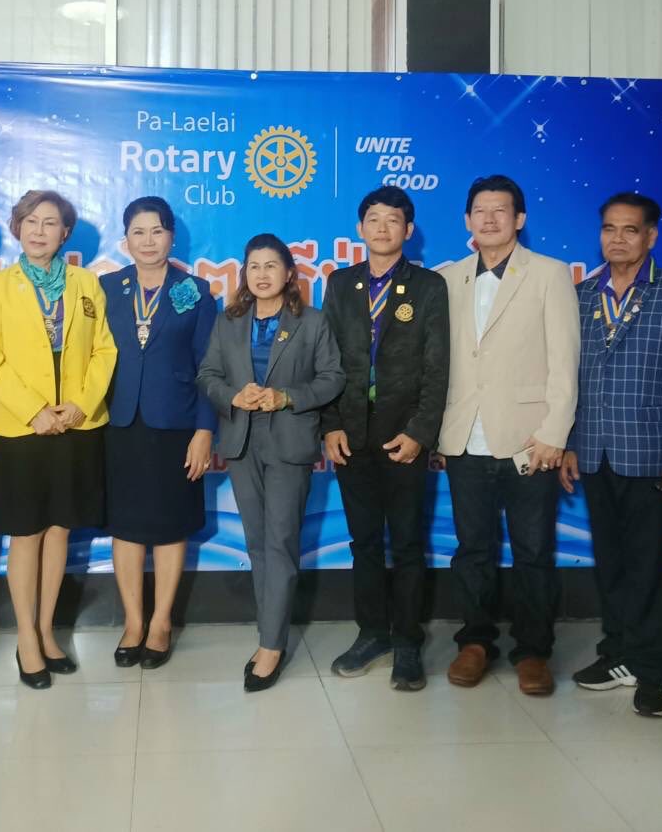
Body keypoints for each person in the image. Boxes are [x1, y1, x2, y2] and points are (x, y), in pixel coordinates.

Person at [559, 192, 662, 718]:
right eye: (609, 229)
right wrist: (570, 443)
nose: (617, 239)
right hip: (594, 451)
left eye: (629, 229)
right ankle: (617, 653)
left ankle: (652, 671)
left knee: (646, 565)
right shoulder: (581, 295)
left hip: (652, 454)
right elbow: (568, 377)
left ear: (651, 236)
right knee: (612, 562)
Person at [437, 174, 579, 696]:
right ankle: (475, 641)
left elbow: (565, 360)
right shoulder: (447, 278)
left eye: (500, 210)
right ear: (467, 220)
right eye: (481, 210)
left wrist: (554, 433)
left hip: (528, 439)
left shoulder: (548, 274)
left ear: (519, 219)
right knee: (472, 548)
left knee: (533, 549)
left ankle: (533, 649)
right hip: (463, 437)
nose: (490, 218)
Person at [0, 189, 116, 688]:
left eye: (50, 222)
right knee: (27, 532)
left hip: (76, 423)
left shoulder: (85, 283)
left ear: (65, 232)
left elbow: (104, 349)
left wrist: (80, 402)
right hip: (23, 426)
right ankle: (25, 638)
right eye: (31, 221)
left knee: (60, 529)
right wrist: (33, 411)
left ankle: (46, 629)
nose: (39, 231)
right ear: (18, 228)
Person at [197, 234, 343, 692]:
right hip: (241, 440)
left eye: (271, 266)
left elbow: (332, 378)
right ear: (245, 273)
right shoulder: (228, 321)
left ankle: (271, 646)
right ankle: (269, 632)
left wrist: (286, 397)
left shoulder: (312, 321)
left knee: (280, 542)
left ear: (288, 273)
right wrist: (232, 395)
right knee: (258, 543)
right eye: (254, 266)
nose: (262, 275)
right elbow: (208, 375)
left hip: (289, 441)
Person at [320, 186, 449, 691]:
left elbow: (438, 367)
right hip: (351, 436)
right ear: (360, 228)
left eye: (392, 220)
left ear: (408, 231)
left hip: (404, 438)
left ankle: (408, 642)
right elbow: (327, 361)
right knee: (364, 543)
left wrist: (420, 432)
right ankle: (372, 633)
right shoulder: (341, 283)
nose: (381, 227)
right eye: (372, 218)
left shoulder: (429, 286)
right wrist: (330, 424)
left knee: (409, 544)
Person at [99, 197, 217, 670]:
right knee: (125, 528)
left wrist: (204, 430)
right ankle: (133, 622)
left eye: (157, 231)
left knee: (170, 528)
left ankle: (161, 622)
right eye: (138, 232)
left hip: (176, 426)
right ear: (125, 239)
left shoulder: (193, 291)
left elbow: (209, 367)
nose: (148, 241)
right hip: (120, 425)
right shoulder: (108, 288)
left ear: (171, 237)